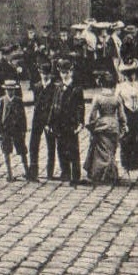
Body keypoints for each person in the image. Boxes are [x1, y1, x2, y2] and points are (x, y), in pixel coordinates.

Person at [52, 56, 86, 185]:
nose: (64, 75)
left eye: (66, 72)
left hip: (71, 123)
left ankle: (75, 175)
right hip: (59, 123)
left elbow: (80, 107)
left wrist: (80, 122)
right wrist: (51, 122)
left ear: (70, 72)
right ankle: (65, 172)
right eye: (62, 72)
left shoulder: (76, 89)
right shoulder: (58, 87)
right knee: (60, 148)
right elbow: (54, 105)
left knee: (73, 149)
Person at [83, 90, 128, 185]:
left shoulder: (98, 97)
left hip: (102, 125)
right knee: (111, 150)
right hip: (114, 125)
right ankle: (110, 173)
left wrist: (91, 125)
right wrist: (123, 126)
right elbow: (121, 115)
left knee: (101, 150)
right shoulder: (117, 98)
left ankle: (99, 173)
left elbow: (92, 114)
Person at [0, 78, 28, 181]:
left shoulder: (18, 101)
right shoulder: (2, 101)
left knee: (22, 151)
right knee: (6, 151)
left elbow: (23, 117)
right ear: (5, 90)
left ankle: (27, 172)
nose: (10, 91)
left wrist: (24, 130)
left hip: (17, 130)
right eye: (8, 89)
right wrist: (0, 131)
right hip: (6, 131)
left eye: (12, 89)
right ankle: (9, 174)